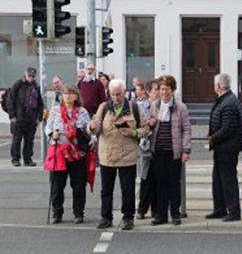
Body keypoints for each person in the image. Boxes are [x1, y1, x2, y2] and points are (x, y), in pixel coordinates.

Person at [88, 79, 148, 230]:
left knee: (127, 190)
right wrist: (92, 126)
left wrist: (133, 132)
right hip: (107, 156)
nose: (115, 97)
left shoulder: (134, 107)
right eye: (113, 94)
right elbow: (94, 129)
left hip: (127, 156)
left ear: (125, 93)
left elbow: (146, 129)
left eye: (119, 94)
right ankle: (106, 217)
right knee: (106, 190)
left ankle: (128, 218)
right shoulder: (103, 107)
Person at [45, 84, 95, 224]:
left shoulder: (82, 111)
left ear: (76, 96)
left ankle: (78, 213)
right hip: (59, 151)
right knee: (57, 185)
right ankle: (57, 213)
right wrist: (51, 133)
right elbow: (48, 127)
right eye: (65, 93)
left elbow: (89, 129)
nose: (67, 96)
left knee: (78, 185)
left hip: (77, 152)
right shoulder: (55, 110)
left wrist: (93, 139)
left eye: (71, 93)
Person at [150, 75, 191, 226]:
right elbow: (149, 125)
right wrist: (150, 123)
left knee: (174, 183)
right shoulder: (155, 105)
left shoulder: (181, 107)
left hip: (174, 151)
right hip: (158, 150)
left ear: (173, 90)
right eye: (161, 89)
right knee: (160, 184)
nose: (164, 92)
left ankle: (175, 213)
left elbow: (186, 129)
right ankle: (161, 214)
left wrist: (186, 150)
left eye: (167, 89)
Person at [206, 73, 242, 222]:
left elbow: (228, 127)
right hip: (221, 147)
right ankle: (220, 209)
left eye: (214, 84)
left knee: (228, 180)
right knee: (218, 180)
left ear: (218, 86)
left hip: (227, 148)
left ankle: (234, 211)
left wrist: (213, 138)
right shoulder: (225, 99)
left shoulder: (228, 102)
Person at [7, 67, 44, 167]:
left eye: (33, 76)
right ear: (25, 75)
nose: (31, 78)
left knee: (29, 140)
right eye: (29, 76)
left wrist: (38, 118)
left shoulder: (36, 87)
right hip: (19, 117)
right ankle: (15, 159)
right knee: (17, 139)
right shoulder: (18, 85)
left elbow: (40, 104)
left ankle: (28, 159)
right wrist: (12, 115)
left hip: (31, 118)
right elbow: (10, 100)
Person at [136, 79, 159, 220]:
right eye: (156, 89)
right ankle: (142, 209)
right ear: (148, 92)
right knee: (145, 178)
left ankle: (156, 210)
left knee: (157, 179)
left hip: (158, 147)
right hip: (144, 147)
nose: (159, 92)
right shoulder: (141, 107)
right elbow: (136, 126)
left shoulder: (162, 106)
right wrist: (147, 126)